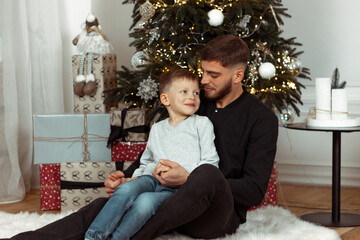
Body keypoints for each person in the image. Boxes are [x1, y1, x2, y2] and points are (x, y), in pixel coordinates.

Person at [8, 34, 278, 240]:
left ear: (237, 75)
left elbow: (254, 190)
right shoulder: (195, 104)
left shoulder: (261, 120)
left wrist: (189, 179)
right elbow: (154, 151)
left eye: (213, 75)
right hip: (163, 198)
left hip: (214, 214)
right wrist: (129, 178)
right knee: (110, 205)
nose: (203, 81)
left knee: (207, 173)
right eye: (203, 72)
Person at [84, 69, 219, 240]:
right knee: (125, 189)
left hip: (177, 188)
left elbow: (210, 163)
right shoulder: (157, 128)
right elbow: (146, 160)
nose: (192, 97)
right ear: (165, 99)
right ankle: (94, 236)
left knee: (145, 203)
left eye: (196, 93)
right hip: (150, 179)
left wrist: (187, 175)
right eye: (184, 91)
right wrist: (135, 178)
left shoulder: (201, 124)